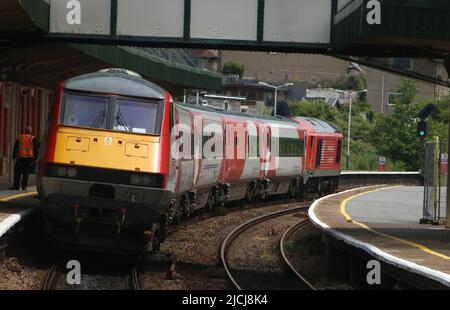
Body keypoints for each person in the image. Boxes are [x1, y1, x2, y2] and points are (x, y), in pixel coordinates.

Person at [9, 126, 39, 191]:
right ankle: (24, 186)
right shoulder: (33, 138)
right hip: (29, 158)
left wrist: (14, 156)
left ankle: (16, 186)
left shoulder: (20, 137)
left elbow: (15, 147)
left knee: (17, 172)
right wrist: (35, 157)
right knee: (26, 173)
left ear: (25, 131)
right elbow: (36, 149)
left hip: (20, 158)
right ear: (30, 131)